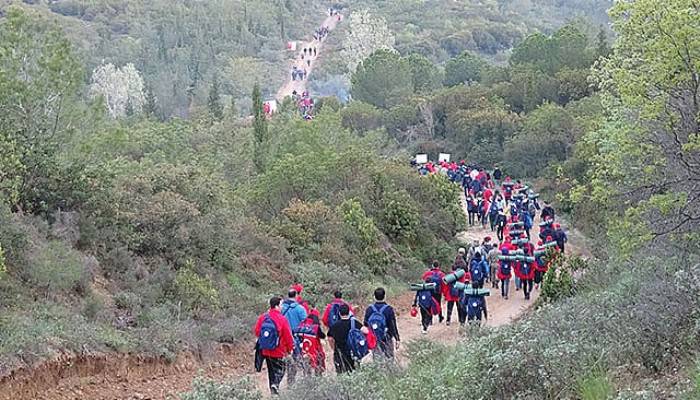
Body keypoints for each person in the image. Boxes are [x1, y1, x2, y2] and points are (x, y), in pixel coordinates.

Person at [254, 296, 295, 395]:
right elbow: (288, 336)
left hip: (266, 350)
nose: (282, 307)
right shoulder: (282, 319)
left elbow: (257, 331)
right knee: (281, 370)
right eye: (281, 305)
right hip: (279, 351)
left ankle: (273, 392)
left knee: (271, 372)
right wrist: (290, 349)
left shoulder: (263, 317)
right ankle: (275, 385)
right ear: (276, 306)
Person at [327, 304, 371, 373]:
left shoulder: (335, 326)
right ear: (349, 312)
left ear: (339, 313)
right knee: (353, 372)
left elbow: (330, 338)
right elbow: (366, 331)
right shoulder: (354, 323)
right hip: (352, 353)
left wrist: (333, 347)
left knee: (341, 374)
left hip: (339, 354)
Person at [363, 287, 400, 359]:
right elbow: (393, 325)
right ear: (384, 296)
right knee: (389, 358)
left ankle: (379, 370)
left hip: (374, 337)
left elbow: (365, 325)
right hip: (387, 337)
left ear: (374, 297)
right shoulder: (389, 309)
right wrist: (397, 338)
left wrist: (366, 339)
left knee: (377, 359)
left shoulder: (369, 309)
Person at [281, 290, 307, 384]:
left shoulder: (281, 308)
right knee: (298, 358)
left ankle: (290, 380)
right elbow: (305, 323)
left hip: (283, 338)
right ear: (296, 296)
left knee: (288, 359)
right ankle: (302, 380)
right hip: (297, 337)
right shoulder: (300, 308)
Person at [293, 308, 326, 376]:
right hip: (314, 350)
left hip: (302, 350)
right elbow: (322, 336)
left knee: (306, 368)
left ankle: (307, 379)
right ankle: (318, 378)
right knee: (318, 363)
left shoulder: (301, 325)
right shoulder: (316, 327)